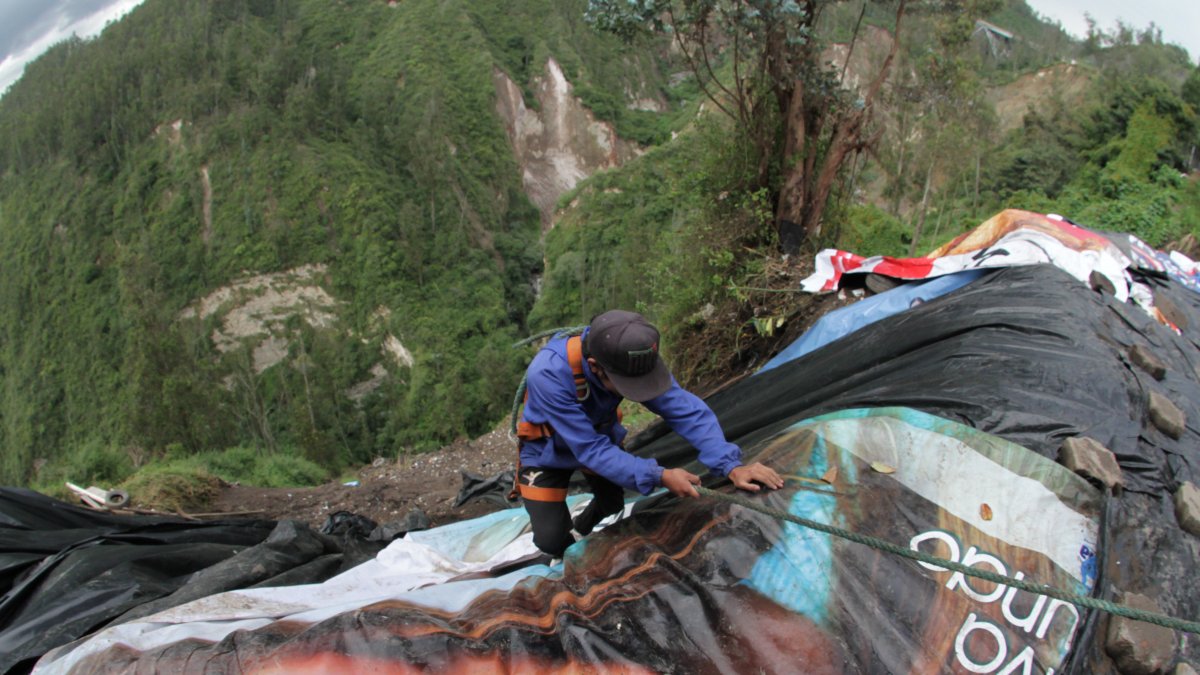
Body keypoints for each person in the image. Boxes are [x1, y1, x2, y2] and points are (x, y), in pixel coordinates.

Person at [515, 309, 784, 558]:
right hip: (547, 451)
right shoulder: (548, 374)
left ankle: (580, 528)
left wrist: (731, 465)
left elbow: (683, 408)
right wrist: (659, 475)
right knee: (551, 540)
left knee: (611, 503)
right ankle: (566, 547)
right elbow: (590, 450)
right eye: (626, 386)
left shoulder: (631, 352)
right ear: (595, 366)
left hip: (598, 437)